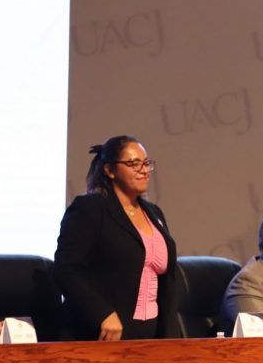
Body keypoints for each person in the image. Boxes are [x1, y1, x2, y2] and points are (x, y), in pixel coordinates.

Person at [55, 135, 177, 340]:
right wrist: (102, 313)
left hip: (151, 334)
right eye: (133, 164)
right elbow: (66, 270)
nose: (144, 170)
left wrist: (171, 335)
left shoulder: (154, 213)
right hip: (102, 334)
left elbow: (167, 282)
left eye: (146, 163)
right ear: (110, 170)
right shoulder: (90, 208)